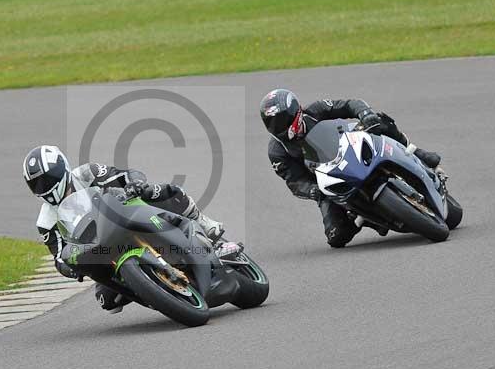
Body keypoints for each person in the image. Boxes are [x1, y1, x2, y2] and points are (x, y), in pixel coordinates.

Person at [23, 145, 224, 313]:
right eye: (37, 184)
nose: (44, 186)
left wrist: (134, 183)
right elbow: (58, 256)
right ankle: (157, 291)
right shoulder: (45, 221)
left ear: (62, 168)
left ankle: (203, 223)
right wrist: (72, 267)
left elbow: (122, 174)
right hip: (98, 249)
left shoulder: (86, 173)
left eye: (48, 179)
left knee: (157, 192)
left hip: (123, 215)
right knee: (107, 300)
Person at [259, 89, 441, 248]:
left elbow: (349, 104)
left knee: (379, 121)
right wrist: (313, 190)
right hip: (328, 181)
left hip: (350, 149)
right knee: (337, 237)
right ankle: (366, 217)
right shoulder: (277, 151)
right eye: (272, 123)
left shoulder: (314, 110)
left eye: (281, 121)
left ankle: (416, 152)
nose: (278, 127)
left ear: (295, 113)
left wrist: (365, 113)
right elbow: (295, 181)